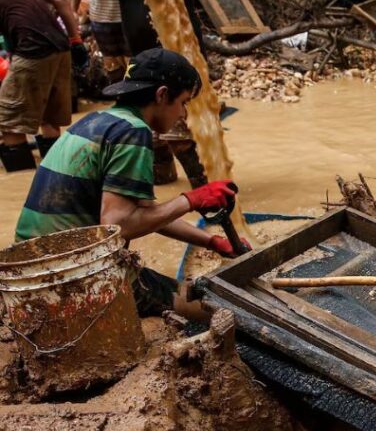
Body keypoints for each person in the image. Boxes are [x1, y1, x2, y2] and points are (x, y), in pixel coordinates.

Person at [15, 48, 243, 319]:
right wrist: (191, 200)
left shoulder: (95, 121)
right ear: (161, 95)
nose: (183, 114)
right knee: (219, 310)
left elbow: (146, 213)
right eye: (183, 102)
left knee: (175, 287)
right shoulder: (133, 133)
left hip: (29, 271)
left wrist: (211, 241)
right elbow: (119, 225)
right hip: (76, 278)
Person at [51, 0, 209, 188]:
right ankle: (165, 184)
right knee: (152, 132)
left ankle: (205, 190)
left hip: (179, 61)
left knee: (183, 133)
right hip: (143, 64)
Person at [0, 0, 87, 172]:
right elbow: (61, 1)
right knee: (49, 119)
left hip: (31, 49)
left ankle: (24, 186)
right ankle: (56, 178)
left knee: (9, 123)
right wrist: (76, 41)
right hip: (60, 46)